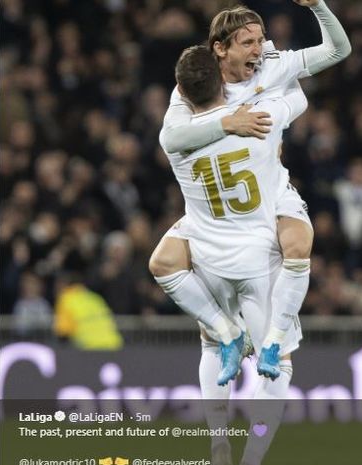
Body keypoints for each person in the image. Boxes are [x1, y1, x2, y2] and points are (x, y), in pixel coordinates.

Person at [149, 0, 351, 383]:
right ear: (219, 49)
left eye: (260, 40)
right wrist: (230, 123)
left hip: (270, 189)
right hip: (223, 202)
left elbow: (337, 51)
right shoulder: (196, 88)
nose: (258, 49)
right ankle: (230, 348)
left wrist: (318, 7)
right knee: (164, 265)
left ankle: (272, 341)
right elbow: (172, 137)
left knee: (298, 246)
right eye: (247, 42)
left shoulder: (273, 64)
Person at [163, 44, 306, 465]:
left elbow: (178, 128)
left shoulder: (175, 141)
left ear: (182, 91)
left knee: (210, 343)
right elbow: (297, 97)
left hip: (208, 253)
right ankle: (254, 453)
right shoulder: (260, 129)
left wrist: (224, 113)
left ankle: (218, 439)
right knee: (280, 367)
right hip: (259, 259)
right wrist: (275, 67)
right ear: (222, 81)